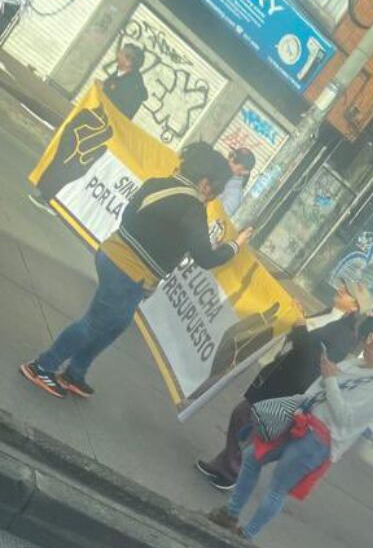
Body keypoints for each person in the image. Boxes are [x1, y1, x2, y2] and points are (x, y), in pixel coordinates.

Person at [21, 142, 251, 400]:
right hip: (128, 272)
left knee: (116, 323)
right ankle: (42, 366)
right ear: (206, 183)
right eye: (216, 190)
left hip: (112, 255)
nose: (213, 197)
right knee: (95, 323)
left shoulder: (158, 183)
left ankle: (75, 372)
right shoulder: (192, 207)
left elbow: (130, 216)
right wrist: (235, 245)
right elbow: (205, 258)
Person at [207, 329, 373, 540]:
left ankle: (247, 534)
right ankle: (230, 513)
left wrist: (330, 379)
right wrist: (319, 382)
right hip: (300, 419)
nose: (368, 345)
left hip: (318, 440)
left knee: (277, 487)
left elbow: (344, 418)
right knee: (251, 456)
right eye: (370, 338)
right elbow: (320, 389)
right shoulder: (354, 365)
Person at [194, 283, 372, 490]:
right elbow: (306, 336)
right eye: (343, 286)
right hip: (279, 373)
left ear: (354, 307)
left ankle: (232, 472)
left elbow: (313, 355)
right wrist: (300, 318)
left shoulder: (345, 333)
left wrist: (299, 326)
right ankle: (223, 465)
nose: (341, 290)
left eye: (347, 292)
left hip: (292, 384)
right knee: (244, 417)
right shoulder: (328, 314)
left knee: (247, 420)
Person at [101, 43, 147, 118]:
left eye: (121, 53)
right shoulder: (120, 73)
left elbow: (116, 107)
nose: (118, 54)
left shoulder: (131, 85)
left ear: (129, 62)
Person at [220, 148, 255, 214]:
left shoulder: (235, 194)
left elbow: (219, 217)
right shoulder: (220, 171)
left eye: (237, 160)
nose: (231, 160)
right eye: (231, 155)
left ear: (244, 171)